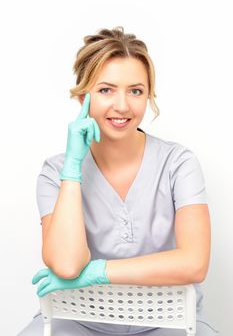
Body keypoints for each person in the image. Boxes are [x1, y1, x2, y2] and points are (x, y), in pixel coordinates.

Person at [17, 26, 219, 335]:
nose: (123, 106)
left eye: (136, 91)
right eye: (106, 90)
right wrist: (72, 169)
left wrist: (100, 272)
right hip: (77, 318)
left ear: (148, 95)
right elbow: (68, 265)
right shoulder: (54, 172)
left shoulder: (178, 164)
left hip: (169, 317)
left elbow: (194, 263)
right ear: (83, 96)